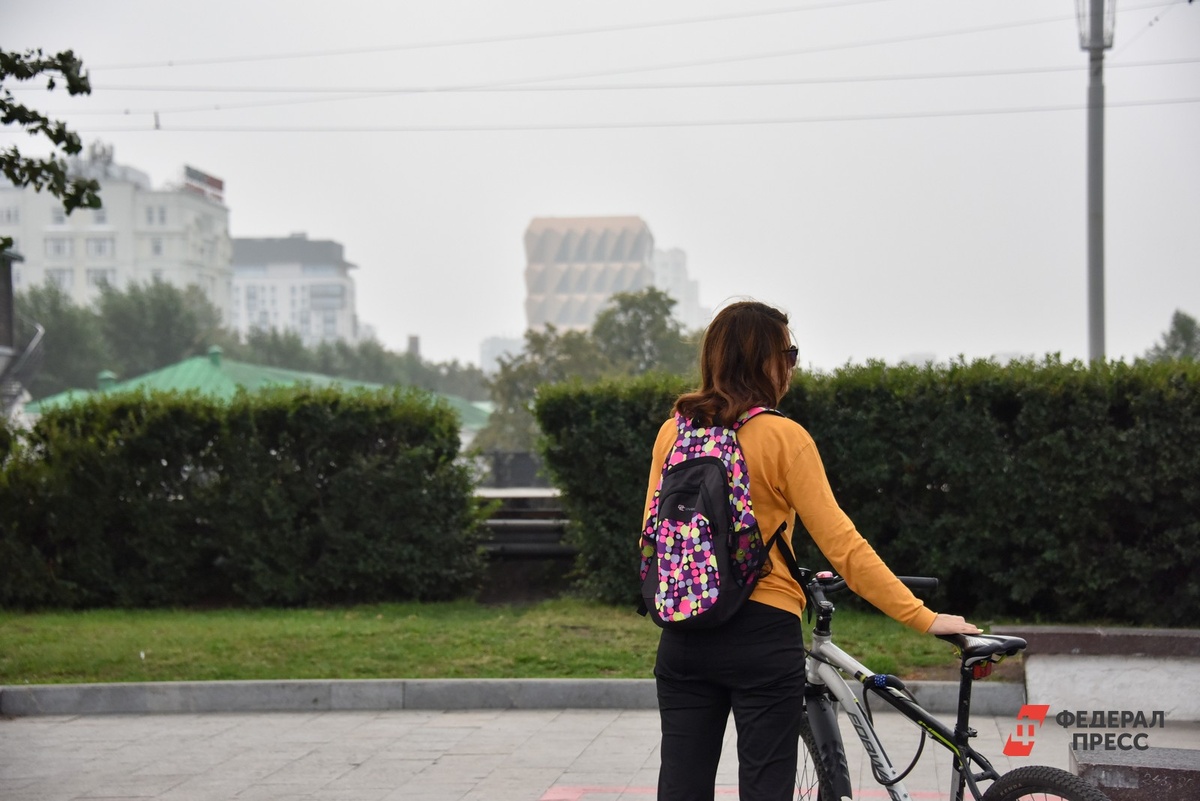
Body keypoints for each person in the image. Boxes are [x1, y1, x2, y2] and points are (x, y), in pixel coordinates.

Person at [641, 300, 981, 801]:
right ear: (766, 362)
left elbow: (650, 538)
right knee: (766, 786)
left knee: (681, 788)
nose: (793, 366)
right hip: (762, 632)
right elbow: (843, 544)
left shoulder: (674, 432)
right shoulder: (784, 436)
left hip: (684, 635)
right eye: (789, 353)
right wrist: (923, 617)